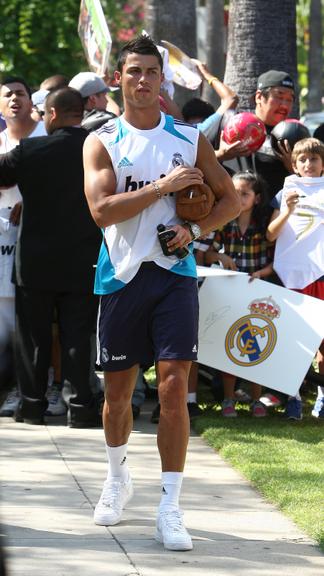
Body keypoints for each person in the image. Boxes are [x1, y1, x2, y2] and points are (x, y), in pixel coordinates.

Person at [83, 35, 240, 551]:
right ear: (118, 79)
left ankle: (170, 507)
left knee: (175, 385)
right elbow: (102, 211)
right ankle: (116, 477)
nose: (143, 80)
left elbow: (232, 199)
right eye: (134, 72)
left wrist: (193, 232)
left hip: (174, 273)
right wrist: (163, 188)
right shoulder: (101, 139)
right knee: (117, 397)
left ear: (162, 79)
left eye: (152, 72)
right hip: (121, 276)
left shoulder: (189, 136)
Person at [0, 87, 102, 427]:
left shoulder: (31, 149)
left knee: (33, 339)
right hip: (83, 259)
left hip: (35, 261)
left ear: (53, 115)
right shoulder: (100, 148)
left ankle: (31, 406)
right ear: (82, 112)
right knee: (77, 337)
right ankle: (80, 408)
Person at [197, 171, 274, 417]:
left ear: (257, 198)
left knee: (257, 347)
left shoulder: (263, 227)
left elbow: (276, 261)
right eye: (235, 192)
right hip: (230, 291)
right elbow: (207, 254)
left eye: (245, 194)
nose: (239, 198)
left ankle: (256, 399)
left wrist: (261, 273)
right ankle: (228, 399)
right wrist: (219, 256)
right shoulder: (225, 225)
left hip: (257, 292)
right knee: (230, 343)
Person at [267, 137, 324, 420]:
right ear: (294, 164)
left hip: (321, 273)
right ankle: (293, 397)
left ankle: (322, 398)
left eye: (314, 159)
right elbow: (270, 234)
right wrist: (288, 210)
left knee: (322, 343)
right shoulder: (286, 190)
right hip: (292, 276)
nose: (308, 164)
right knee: (293, 341)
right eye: (302, 159)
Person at [0, 76, 46, 418]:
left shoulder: (46, 138)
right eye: (7, 95)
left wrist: (31, 204)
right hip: (3, 238)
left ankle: (30, 389)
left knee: (32, 322)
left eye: (20, 93)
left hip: (39, 241)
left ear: (32, 101)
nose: (14, 99)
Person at [217, 70, 295, 197]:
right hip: (233, 211)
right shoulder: (231, 126)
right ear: (259, 97)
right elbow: (195, 160)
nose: (284, 105)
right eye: (279, 97)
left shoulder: (293, 136)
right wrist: (221, 154)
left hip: (276, 214)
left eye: (289, 99)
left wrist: (293, 167)